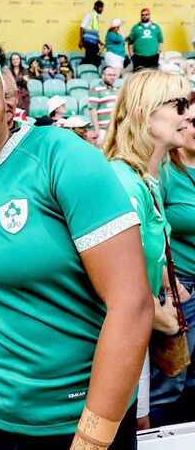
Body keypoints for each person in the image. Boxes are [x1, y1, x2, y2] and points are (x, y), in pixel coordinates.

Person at [0, 32, 152, 449]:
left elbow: (131, 304)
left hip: (76, 422)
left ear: (7, 100)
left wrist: (93, 436)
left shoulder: (60, 156)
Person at [103, 70, 191, 430]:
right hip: (117, 342)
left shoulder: (146, 179)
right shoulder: (124, 183)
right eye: (179, 104)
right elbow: (108, 286)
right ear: (143, 113)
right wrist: (161, 316)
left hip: (132, 337)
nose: (188, 114)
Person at [149, 94, 195, 427]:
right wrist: (171, 284)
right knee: (173, 378)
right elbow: (153, 234)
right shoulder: (165, 171)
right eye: (191, 121)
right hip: (182, 288)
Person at [88, 66, 119, 139]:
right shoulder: (95, 90)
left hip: (115, 129)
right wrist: (97, 130)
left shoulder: (116, 90)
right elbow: (93, 110)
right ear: (103, 75)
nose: (112, 77)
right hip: (103, 130)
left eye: (114, 75)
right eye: (109, 75)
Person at [80, 0, 104, 66]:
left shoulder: (96, 17)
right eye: (100, 7)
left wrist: (100, 42)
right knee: (89, 57)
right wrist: (81, 41)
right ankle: (80, 68)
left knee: (96, 58)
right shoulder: (89, 14)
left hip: (94, 42)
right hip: (88, 41)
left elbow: (95, 33)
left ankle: (94, 72)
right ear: (96, 7)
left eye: (102, 7)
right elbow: (82, 27)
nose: (102, 9)